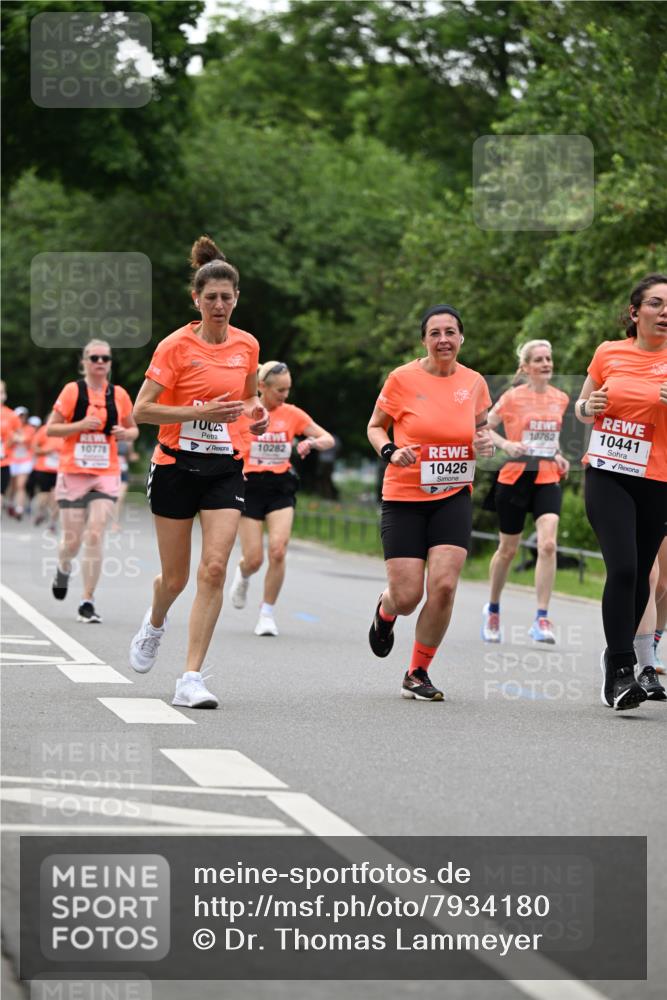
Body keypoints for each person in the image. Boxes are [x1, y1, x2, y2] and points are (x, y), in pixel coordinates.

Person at [129, 236, 268, 709]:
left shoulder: (247, 345)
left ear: (236, 300)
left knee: (214, 568)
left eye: (227, 297)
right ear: (197, 299)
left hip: (224, 468)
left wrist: (256, 414)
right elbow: (141, 412)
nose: (220, 305)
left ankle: (190, 677)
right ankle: (154, 622)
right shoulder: (175, 347)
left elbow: (248, 398)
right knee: (176, 579)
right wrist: (196, 412)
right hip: (174, 467)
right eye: (211, 297)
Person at [367, 303, 493, 700]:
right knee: (407, 596)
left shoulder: (474, 383)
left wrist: (485, 440)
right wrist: (390, 451)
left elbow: (481, 429)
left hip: (452, 495)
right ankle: (385, 612)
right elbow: (374, 426)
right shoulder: (401, 378)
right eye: (435, 333)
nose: (443, 340)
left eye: (450, 332)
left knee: (443, 586)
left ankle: (417, 671)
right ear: (424, 340)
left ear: (461, 338)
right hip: (404, 496)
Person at [576, 273, 667, 711]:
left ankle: (615, 655)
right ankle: (620, 673)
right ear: (635, 313)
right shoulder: (608, 352)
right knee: (626, 568)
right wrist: (586, 407)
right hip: (607, 472)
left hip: (658, 479)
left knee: (641, 582)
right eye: (655, 303)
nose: (664, 311)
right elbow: (582, 405)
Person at [228, 360, 334, 636]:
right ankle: (243, 573)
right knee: (254, 559)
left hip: (280, 486)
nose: (285, 395)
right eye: (279, 390)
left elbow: (328, 439)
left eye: (288, 389)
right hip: (249, 486)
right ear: (261, 387)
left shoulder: (292, 414)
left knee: (278, 549)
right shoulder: (245, 411)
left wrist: (312, 442)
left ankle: (266, 613)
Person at [481, 340, 570, 644]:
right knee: (508, 550)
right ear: (527, 367)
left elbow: (550, 437)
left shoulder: (561, 398)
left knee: (547, 544)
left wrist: (557, 454)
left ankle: (542, 619)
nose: (546, 364)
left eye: (549, 358)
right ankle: (492, 609)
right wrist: (505, 444)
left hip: (546, 476)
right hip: (515, 476)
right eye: (540, 360)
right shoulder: (511, 397)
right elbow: (482, 427)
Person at [46, 340, 138, 622]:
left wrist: (125, 433)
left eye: (105, 358)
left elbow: (134, 430)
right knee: (72, 541)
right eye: (94, 357)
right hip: (74, 471)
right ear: (84, 361)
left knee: (95, 534)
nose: (100, 362)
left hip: (105, 472)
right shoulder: (73, 391)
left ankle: (87, 600)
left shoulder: (119, 394)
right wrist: (79, 426)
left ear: (110, 363)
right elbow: (51, 428)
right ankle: (63, 567)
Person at [29, 419, 64, 528]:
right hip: (43, 468)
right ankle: (40, 512)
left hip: (61, 470)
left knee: (57, 496)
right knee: (44, 495)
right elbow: (34, 448)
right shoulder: (44, 430)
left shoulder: (67, 430)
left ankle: (53, 521)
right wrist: (46, 451)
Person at [8, 406, 36, 520]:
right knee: (13, 485)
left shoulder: (30, 429)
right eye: (19, 417)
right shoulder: (9, 428)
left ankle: (19, 508)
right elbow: (8, 443)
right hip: (12, 460)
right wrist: (16, 437)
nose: (21, 419)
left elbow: (27, 440)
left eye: (23, 416)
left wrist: (18, 438)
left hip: (25, 460)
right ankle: (10, 503)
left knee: (21, 485)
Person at [0, 382, 20, 506]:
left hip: (3, 462)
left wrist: (14, 438)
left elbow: (20, 435)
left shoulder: (11, 415)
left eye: (2, 392)